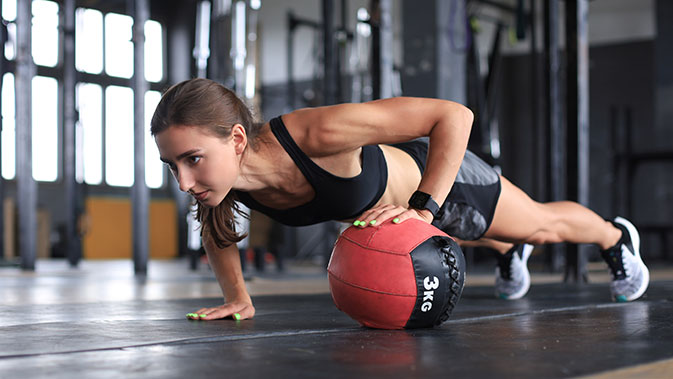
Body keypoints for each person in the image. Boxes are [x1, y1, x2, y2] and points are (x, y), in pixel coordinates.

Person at [151, 78, 649, 321]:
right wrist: (238, 298)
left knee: (540, 226)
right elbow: (217, 232)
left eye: (192, 159)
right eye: (173, 165)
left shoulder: (314, 134)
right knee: (468, 240)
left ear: (237, 138)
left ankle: (614, 237)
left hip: (441, 184)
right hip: (403, 212)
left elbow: (454, 115)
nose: (183, 180)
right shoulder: (225, 183)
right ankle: (504, 250)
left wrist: (423, 209)